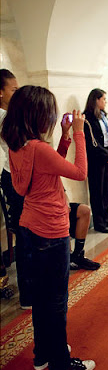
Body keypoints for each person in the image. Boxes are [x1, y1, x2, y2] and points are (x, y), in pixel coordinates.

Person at [1, 85, 96, 370]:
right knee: (55, 299)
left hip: (29, 228)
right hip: (49, 231)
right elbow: (80, 172)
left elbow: (41, 171)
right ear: (38, 114)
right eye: (50, 112)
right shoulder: (38, 148)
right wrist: (79, 132)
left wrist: (65, 138)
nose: (53, 117)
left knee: (42, 297)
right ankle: (60, 363)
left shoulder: (17, 145)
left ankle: (43, 353)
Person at [0, 69, 31, 307]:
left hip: (14, 176)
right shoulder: (4, 118)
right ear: (0, 93)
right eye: (13, 89)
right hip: (10, 178)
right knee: (23, 233)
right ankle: (27, 293)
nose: (17, 93)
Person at [83, 88, 108, 233]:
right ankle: (99, 223)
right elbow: (91, 142)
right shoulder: (87, 118)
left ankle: (107, 220)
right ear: (96, 100)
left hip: (106, 157)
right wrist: (106, 155)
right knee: (97, 192)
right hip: (96, 159)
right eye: (104, 99)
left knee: (105, 191)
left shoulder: (104, 116)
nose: (105, 101)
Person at [68, 201, 101, 270]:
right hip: (46, 208)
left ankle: (78, 255)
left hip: (59, 203)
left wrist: (66, 203)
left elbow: (62, 191)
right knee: (61, 215)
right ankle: (68, 257)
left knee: (85, 210)